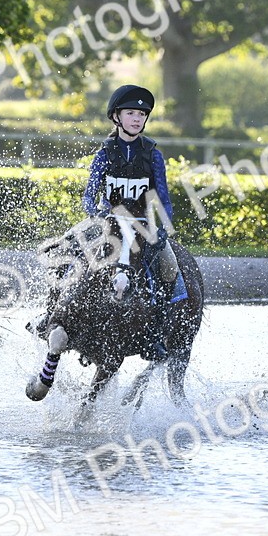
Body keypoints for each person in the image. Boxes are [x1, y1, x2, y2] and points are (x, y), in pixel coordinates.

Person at [82, 84, 184, 360]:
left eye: (141, 114)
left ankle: (155, 336)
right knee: (70, 253)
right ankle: (52, 313)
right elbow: (90, 195)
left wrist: (164, 226)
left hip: (142, 226)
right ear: (116, 117)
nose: (137, 119)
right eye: (131, 113)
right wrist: (95, 212)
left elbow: (163, 197)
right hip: (108, 224)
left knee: (171, 271)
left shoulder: (153, 154)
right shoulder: (104, 153)